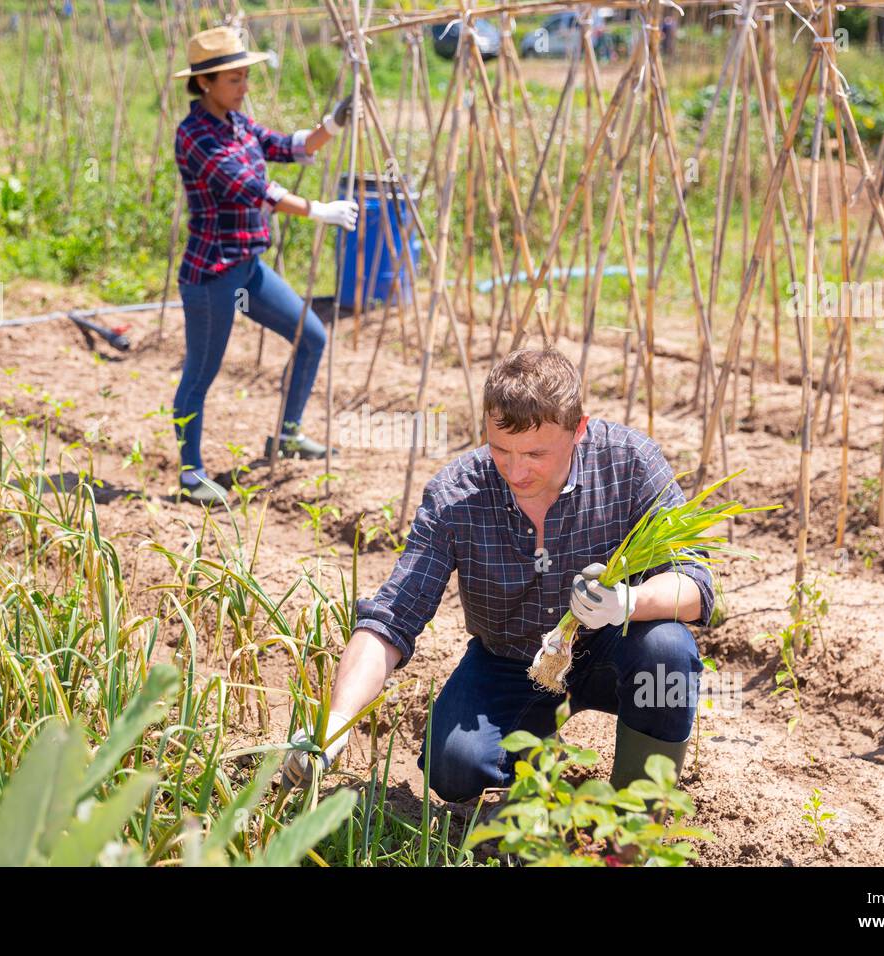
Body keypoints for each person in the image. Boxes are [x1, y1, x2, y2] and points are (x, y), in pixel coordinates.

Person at [282, 347, 715, 800]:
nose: (515, 470)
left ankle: (636, 816)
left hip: (613, 648)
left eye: (534, 454)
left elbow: (698, 582)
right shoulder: (457, 495)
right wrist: (336, 722)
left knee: (667, 652)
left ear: (578, 429)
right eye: (500, 449)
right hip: (513, 661)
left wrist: (629, 603)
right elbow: (392, 618)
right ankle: (539, 759)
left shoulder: (630, 463)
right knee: (453, 766)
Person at [172, 26, 361, 505]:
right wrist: (320, 211)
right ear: (206, 84)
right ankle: (192, 475)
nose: (244, 86)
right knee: (201, 374)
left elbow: (288, 146)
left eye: (244, 76)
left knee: (311, 336)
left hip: (248, 268)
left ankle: (290, 434)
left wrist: (332, 125)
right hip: (213, 273)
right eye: (235, 79)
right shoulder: (193, 135)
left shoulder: (239, 124)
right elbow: (255, 191)